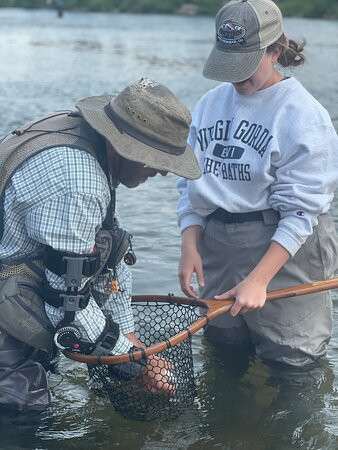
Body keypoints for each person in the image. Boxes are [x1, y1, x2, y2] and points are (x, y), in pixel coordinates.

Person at [0, 78, 201, 414]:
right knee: (21, 420)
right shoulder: (77, 181)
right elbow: (68, 306)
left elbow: (111, 261)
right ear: (125, 145)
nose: (164, 173)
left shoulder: (88, 144)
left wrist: (129, 336)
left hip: (19, 294)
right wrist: (136, 365)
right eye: (156, 160)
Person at [177, 0, 338, 367]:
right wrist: (190, 243)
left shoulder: (303, 115)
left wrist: (259, 280)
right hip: (218, 244)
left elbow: (302, 210)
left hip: (285, 247)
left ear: (276, 51)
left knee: (293, 361)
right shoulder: (209, 104)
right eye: (229, 66)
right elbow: (190, 183)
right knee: (224, 352)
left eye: (246, 67)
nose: (236, 78)